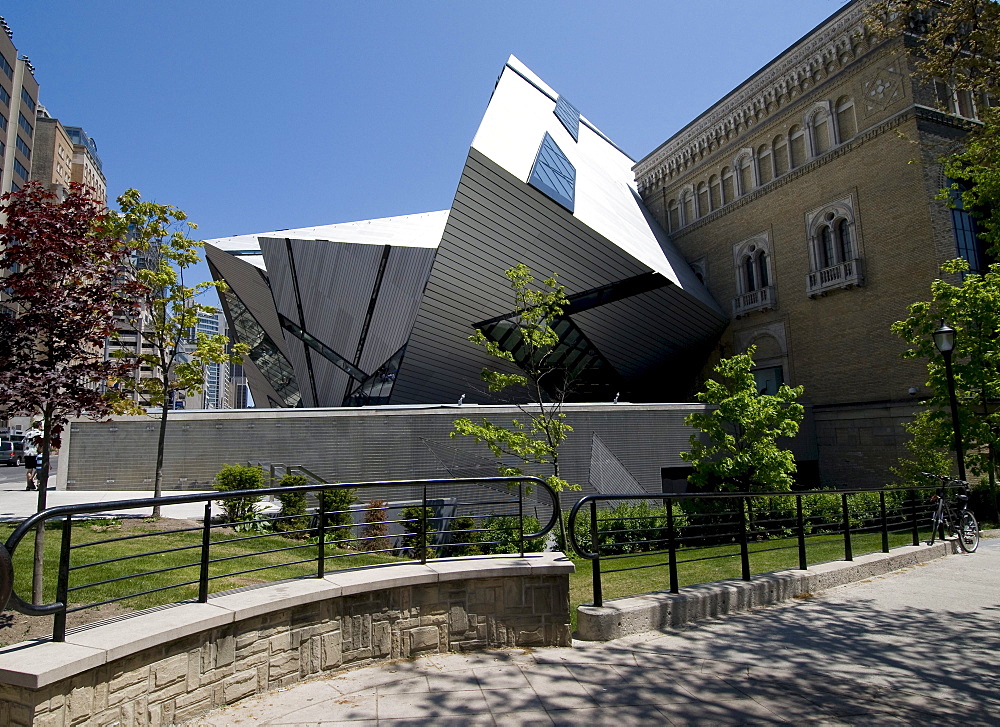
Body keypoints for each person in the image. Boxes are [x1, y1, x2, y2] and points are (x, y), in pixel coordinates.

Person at [22, 423, 41, 491]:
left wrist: (24, 452)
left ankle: (28, 485)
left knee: (29, 470)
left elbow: (23, 443)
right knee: (39, 469)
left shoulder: (28, 434)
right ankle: (37, 483)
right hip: (36, 453)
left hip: (27, 453)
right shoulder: (40, 433)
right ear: (39, 426)